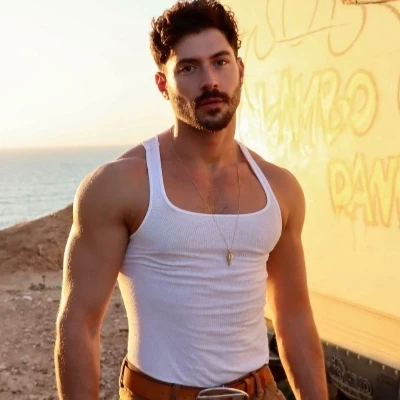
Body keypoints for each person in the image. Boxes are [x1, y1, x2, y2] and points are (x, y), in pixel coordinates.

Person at [54, 1, 329, 399]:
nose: (210, 80)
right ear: (162, 84)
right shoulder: (120, 185)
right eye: (188, 68)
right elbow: (79, 325)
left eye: (220, 62)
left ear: (240, 70)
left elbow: (296, 319)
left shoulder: (279, 188)